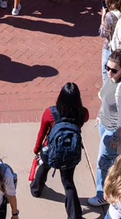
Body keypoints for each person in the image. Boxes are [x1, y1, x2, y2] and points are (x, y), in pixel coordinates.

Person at [88, 50, 121, 208]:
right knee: (108, 161)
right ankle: (110, 187)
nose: (109, 72)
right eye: (107, 68)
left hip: (113, 131)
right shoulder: (111, 79)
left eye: (114, 70)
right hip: (104, 125)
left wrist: (116, 138)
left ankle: (102, 194)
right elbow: (106, 100)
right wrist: (100, 115)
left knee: (103, 162)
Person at [30, 82, 88, 219]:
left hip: (51, 151)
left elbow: (42, 133)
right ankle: (74, 216)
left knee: (44, 167)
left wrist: (37, 149)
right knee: (68, 183)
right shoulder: (83, 113)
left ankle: (36, 189)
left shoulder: (50, 113)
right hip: (70, 154)